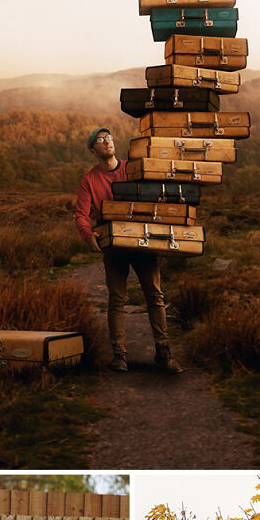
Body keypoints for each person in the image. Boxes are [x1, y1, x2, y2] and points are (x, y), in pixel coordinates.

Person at [75, 126, 182, 374]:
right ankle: (119, 355)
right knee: (116, 300)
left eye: (108, 137)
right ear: (94, 150)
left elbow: (155, 192)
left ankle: (164, 353)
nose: (106, 142)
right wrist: (87, 233)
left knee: (155, 295)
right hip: (113, 244)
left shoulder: (131, 168)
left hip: (142, 238)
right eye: (100, 140)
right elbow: (81, 215)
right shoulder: (89, 180)